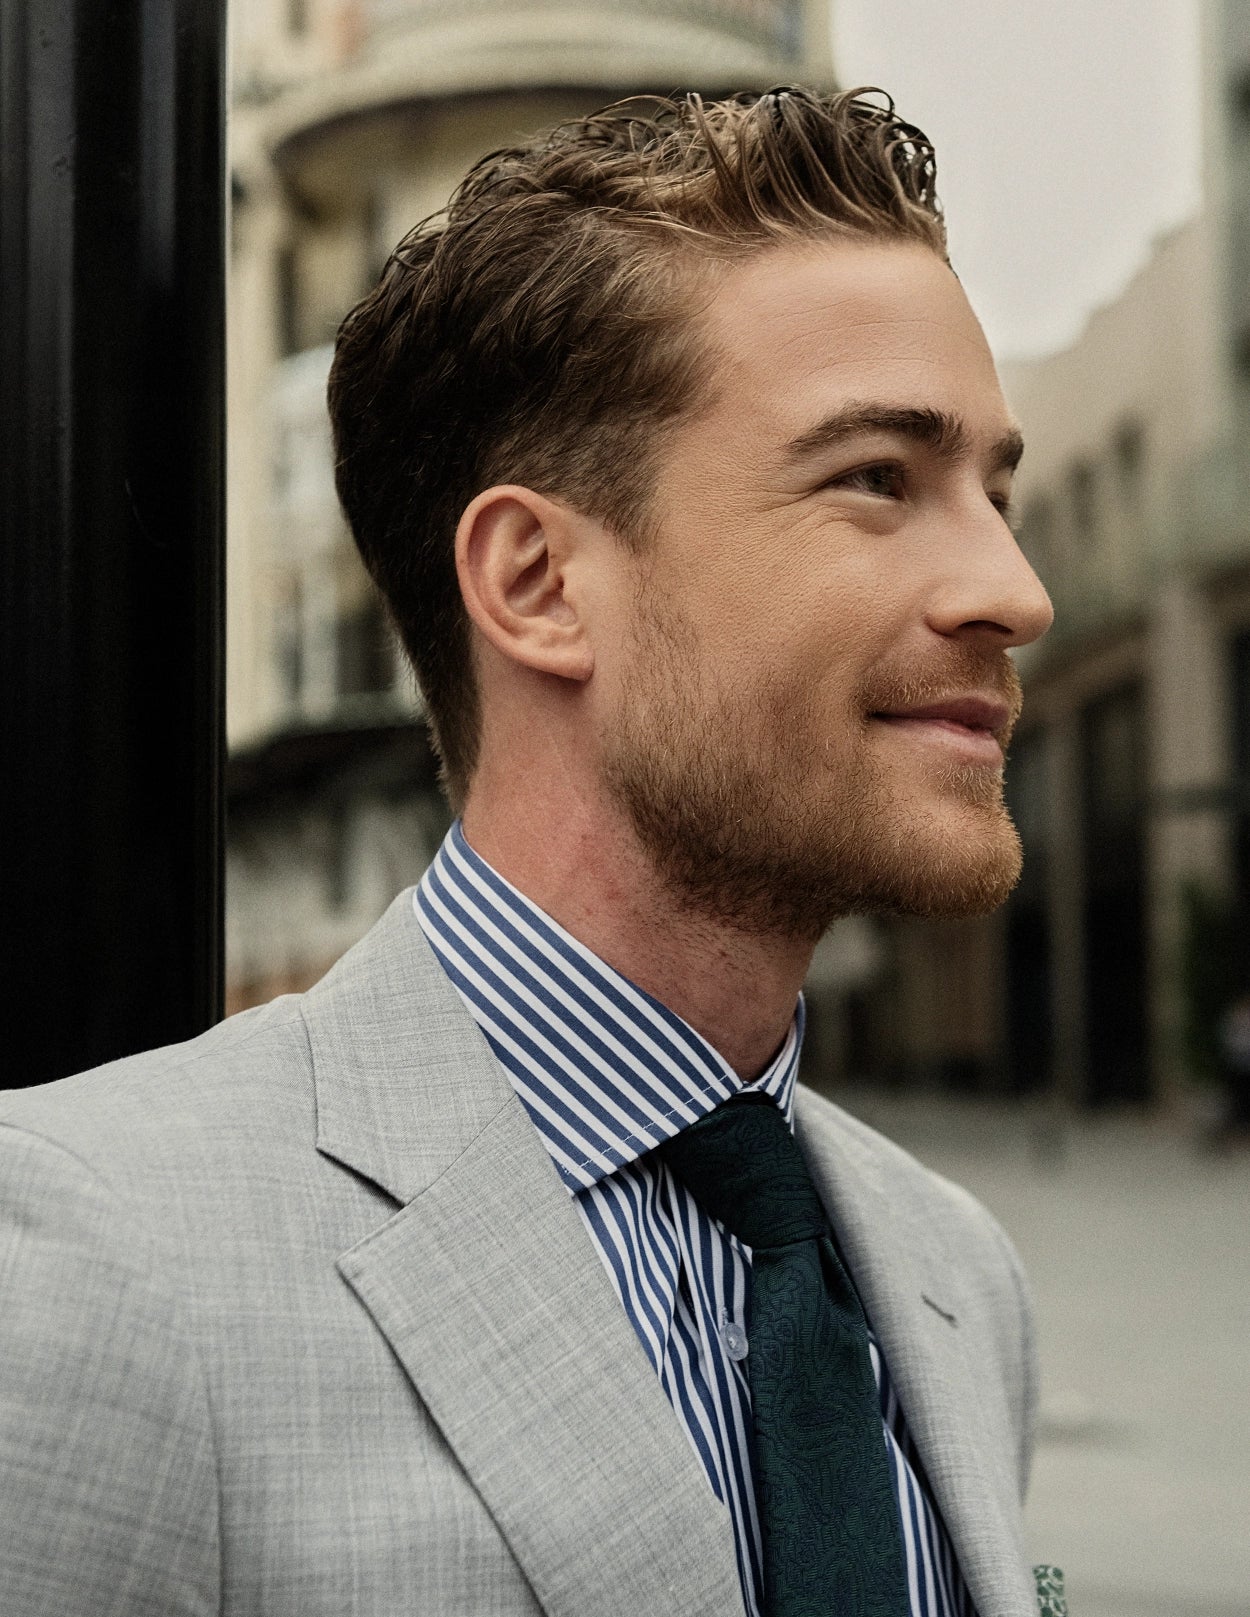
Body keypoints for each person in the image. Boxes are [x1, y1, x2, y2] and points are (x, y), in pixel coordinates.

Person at [0, 87, 1053, 1616]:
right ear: (538, 581)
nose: (1012, 588)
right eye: (876, 478)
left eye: (998, 492)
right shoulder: (94, 1250)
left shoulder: (951, 1270)